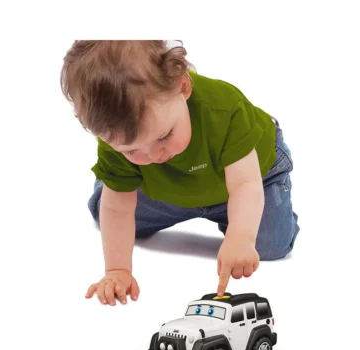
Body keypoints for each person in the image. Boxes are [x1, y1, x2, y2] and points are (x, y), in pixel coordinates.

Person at [60, 40, 300, 306]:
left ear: (183, 86)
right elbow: (117, 209)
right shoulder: (119, 136)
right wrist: (117, 270)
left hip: (249, 179)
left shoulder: (224, 108)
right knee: (109, 212)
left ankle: (243, 212)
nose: (154, 156)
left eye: (164, 136)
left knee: (271, 245)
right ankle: (113, 184)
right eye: (131, 151)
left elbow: (244, 184)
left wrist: (240, 237)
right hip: (170, 189)